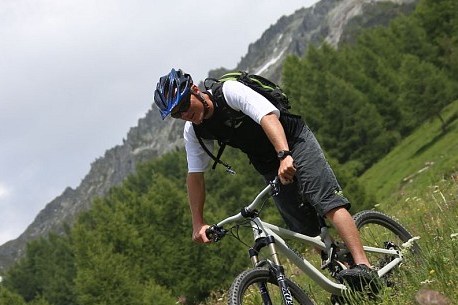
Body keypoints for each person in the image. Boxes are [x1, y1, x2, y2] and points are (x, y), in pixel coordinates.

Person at [154, 68, 374, 286]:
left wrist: (285, 155)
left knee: (326, 202)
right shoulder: (193, 131)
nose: (183, 115)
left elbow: (267, 117)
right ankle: (344, 278)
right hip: (267, 163)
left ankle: (365, 267)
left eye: (183, 105)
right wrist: (198, 223)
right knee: (304, 228)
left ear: (194, 90)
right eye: (176, 114)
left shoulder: (228, 92)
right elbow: (195, 177)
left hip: (293, 141)